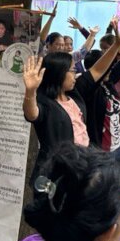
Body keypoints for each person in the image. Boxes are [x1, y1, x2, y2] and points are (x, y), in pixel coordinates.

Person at [73, 34, 120, 187]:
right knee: (99, 182)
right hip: (100, 149)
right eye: (106, 65)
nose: (110, 69)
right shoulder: (88, 89)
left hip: (118, 145)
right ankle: (107, 196)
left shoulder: (109, 82)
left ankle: (116, 193)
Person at [23, 50, 90, 178]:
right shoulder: (45, 102)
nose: (75, 74)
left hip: (80, 163)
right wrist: (30, 91)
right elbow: (32, 114)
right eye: (72, 70)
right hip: (55, 172)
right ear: (59, 73)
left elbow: (97, 72)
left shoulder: (72, 95)